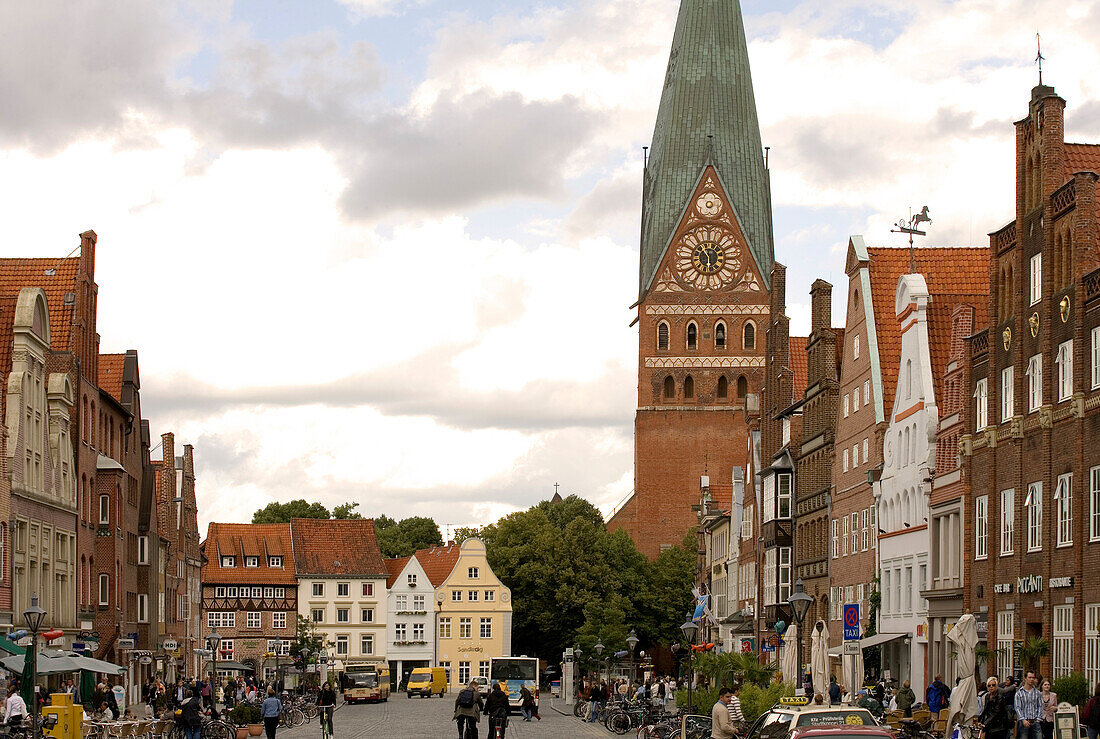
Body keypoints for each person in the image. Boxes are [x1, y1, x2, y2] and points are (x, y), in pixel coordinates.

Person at [1015, 671, 1044, 739]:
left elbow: (1040, 706)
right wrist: (1023, 719)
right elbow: (1018, 707)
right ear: (1025, 678)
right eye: (1029, 677)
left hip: (1035, 721)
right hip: (1024, 722)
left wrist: (1038, 719)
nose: (1031, 679)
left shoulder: (1037, 693)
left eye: (1033, 678)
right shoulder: (1019, 693)